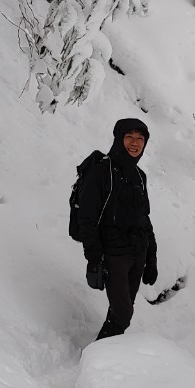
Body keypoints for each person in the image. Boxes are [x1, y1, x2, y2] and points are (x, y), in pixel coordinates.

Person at [76, 117, 158, 339]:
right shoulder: (102, 172)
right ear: (118, 139)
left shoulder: (140, 177)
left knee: (119, 312)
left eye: (140, 139)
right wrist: (93, 258)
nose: (134, 143)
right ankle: (99, 357)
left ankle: (103, 356)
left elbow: (145, 219)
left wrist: (151, 257)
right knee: (123, 313)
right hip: (114, 255)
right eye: (129, 137)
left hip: (137, 253)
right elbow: (87, 218)